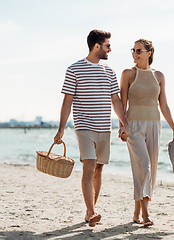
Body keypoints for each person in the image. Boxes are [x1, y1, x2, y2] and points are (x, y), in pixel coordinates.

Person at [54, 29, 128, 227]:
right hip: (84, 126)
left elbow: (116, 101)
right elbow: (67, 100)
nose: (110, 50)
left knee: (98, 169)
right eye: (107, 46)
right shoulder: (74, 69)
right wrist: (61, 129)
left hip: (105, 127)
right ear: (97, 46)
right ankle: (93, 211)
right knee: (89, 167)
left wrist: (124, 124)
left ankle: (89, 212)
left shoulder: (109, 71)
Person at [119, 39, 174, 227]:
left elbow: (164, 105)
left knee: (149, 169)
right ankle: (146, 214)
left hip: (154, 124)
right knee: (143, 166)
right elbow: (122, 103)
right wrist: (123, 126)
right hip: (133, 126)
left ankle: (137, 212)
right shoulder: (128, 73)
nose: (135, 54)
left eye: (139, 50)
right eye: (133, 50)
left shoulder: (159, 76)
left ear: (149, 53)